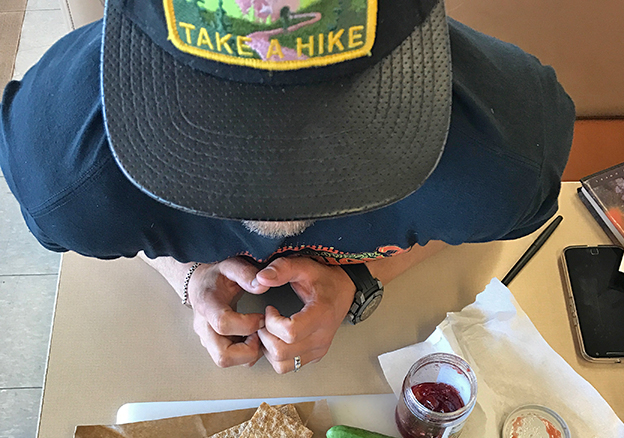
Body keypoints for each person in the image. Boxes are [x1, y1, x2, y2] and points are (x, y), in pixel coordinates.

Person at [0, 0, 574, 374]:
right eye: (219, 115)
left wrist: (361, 281)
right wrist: (186, 277)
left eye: (331, 112)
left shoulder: (509, 161)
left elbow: (474, 219)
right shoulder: (67, 178)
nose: (277, 194)